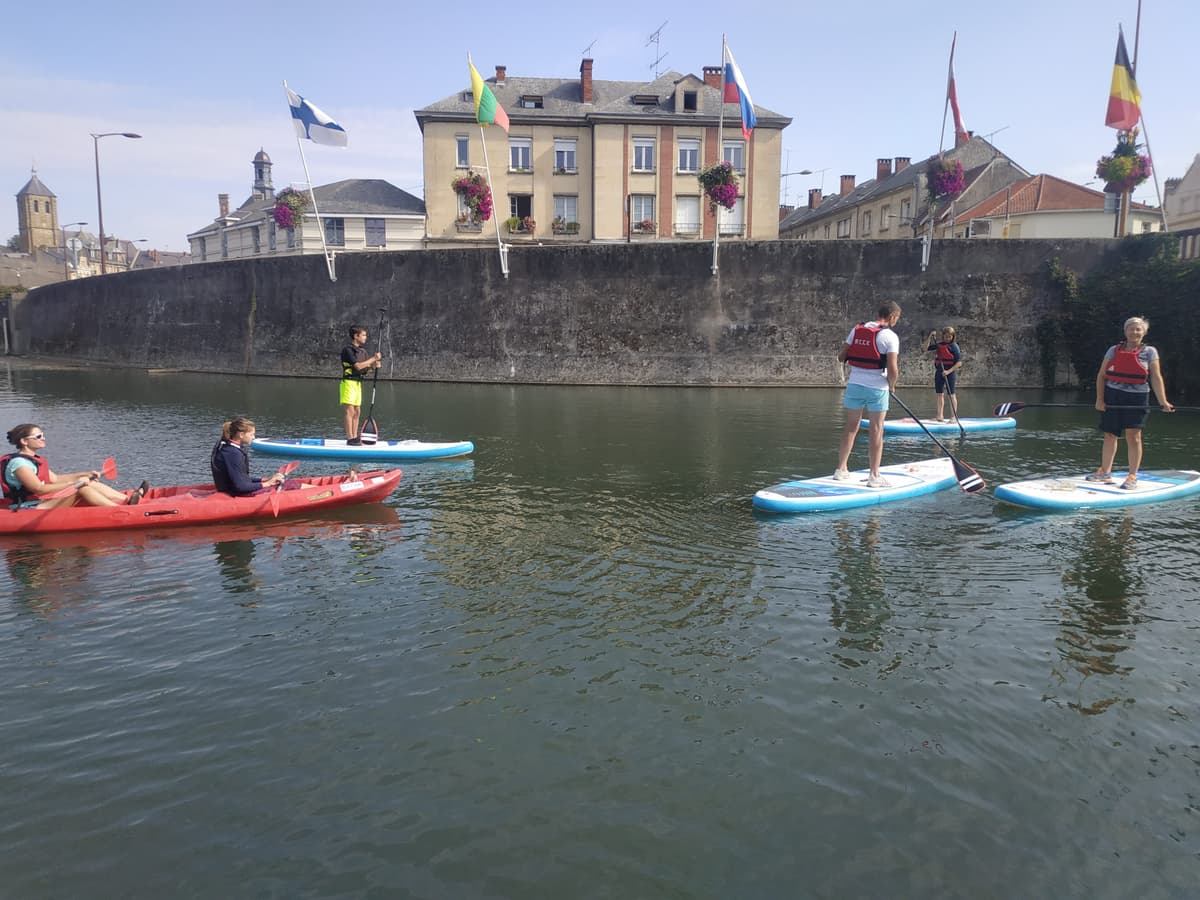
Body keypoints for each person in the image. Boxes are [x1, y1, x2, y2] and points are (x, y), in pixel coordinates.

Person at [1088, 316, 1174, 490]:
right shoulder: (1113, 350)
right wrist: (1099, 399)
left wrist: (1163, 401)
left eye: (1138, 329)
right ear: (1125, 331)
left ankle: (1132, 475)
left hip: (1137, 398)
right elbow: (1102, 375)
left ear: (1143, 333)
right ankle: (1105, 471)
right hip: (1113, 395)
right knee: (1110, 434)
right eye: (1131, 329)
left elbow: (1156, 378)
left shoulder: (1150, 352)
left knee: (1133, 436)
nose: (1134, 332)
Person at [835, 301, 902, 488]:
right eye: (897, 318)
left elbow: (841, 357)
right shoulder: (890, 336)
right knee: (876, 430)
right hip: (877, 388)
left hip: (854, 384)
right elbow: (893, 368)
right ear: (892, 317)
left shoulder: (856, 330)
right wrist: (892, 385)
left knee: (850, 427)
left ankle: (841, 469)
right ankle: (874, 476)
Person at [3, 424, 147, 509]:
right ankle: (120, 510)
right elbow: (38, 489)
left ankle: (127, 500)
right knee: (81, 489)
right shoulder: (19, 464)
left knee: (90, 483)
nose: (43, 438)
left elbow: (54, 479)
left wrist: (85, 474)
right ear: (24, 441)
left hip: (40, 502)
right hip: (28, 508)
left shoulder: (33, 459)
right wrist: (75, 484)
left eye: (43, 435)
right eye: (38, 437)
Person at [211, 417, 288, 496]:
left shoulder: (228, 448)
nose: (253, 437)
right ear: (241, 435)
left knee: (288, 484)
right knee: (290, 486)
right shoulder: (232, 453)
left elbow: (242, 479)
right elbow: (241, 486)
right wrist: (268, 483)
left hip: (233, 490)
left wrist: (265, 479)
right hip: (234, 493)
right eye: (251, 434)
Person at [340, 325, 382, 445]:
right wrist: (373, 359)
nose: (365, 337)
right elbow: (358, 366)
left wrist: (374, 366)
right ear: (356, 336)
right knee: (350, 411)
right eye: (363, 335)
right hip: (348, 382)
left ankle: (355, 436)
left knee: (357, 411)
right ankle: (350, 438)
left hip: (358, 383)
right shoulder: (348, 350)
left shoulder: (362, 351)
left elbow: (365, 368)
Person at [924, 326, 962, 421]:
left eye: (950, 336)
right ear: (943, 336)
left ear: (953, 337)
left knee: (951, 394)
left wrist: (948, 371)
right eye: (946, 336)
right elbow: (925, 348)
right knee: (939, 394)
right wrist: (930, 337)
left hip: (950, 373)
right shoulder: (939, 345)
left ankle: (953, 417)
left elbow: (959, 363)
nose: (948, 338)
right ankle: (940, 416)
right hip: (939, 373)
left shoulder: (954, 347)